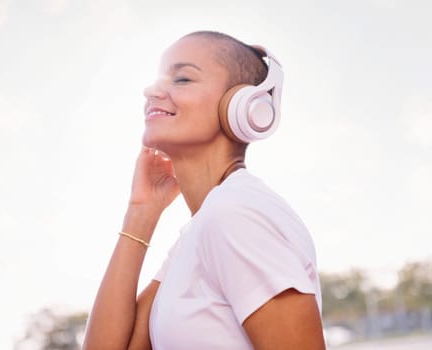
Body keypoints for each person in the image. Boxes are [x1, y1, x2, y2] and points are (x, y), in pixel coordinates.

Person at [82, 31, 325, 350]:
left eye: (182, 79)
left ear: (244, 105)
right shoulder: (201, 230)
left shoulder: (237, 215)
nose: (151, 89)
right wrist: (141, 212)